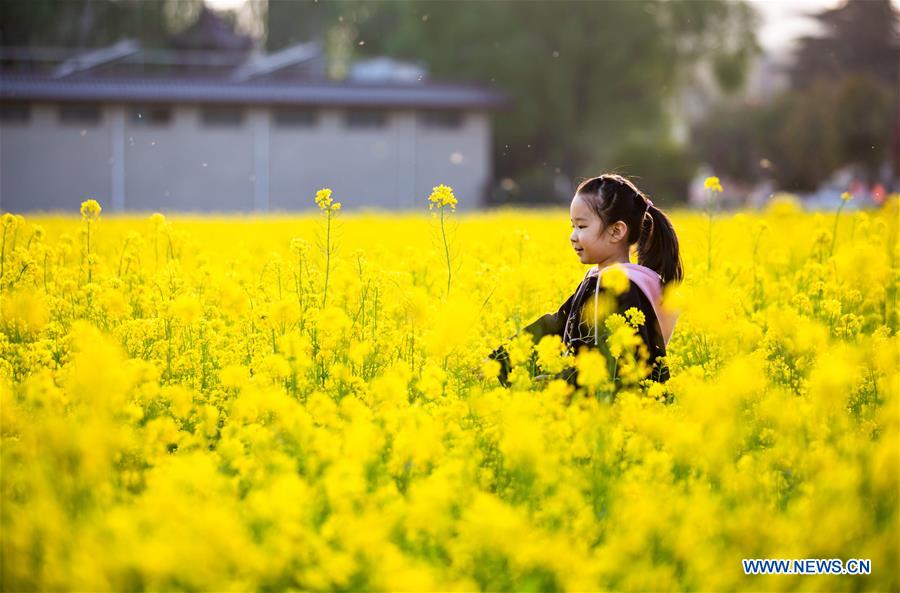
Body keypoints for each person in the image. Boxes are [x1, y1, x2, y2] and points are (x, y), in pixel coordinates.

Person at [487, 173, 682, 389]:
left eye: (581, 226)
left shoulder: (623, 287)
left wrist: (562, 384)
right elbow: (557, 326)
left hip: (616, 413)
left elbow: (615, 361)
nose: (572, 236)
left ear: (616, 231)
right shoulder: (605, 280)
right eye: (573, 226)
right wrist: (499, 362)